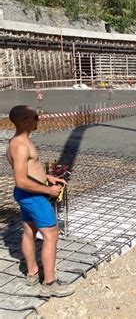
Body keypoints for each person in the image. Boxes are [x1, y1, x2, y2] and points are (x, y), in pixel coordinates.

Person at [6, 105, 75, 298]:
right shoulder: (20, 145)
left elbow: (29, 171)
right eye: (35, 117)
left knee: (29, 231)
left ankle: (32, 272)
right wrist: (48, 189)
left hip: (27, 194)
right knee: (51, 234)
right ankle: (50, 283)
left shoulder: (17, 141)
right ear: (24, 121)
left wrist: (47, 177)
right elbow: (20, 179)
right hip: (33, 196)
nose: (38, 120)